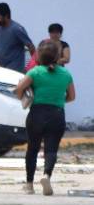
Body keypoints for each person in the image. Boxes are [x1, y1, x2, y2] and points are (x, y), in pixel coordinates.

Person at [16, 40, 75, 196]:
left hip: (37, 113)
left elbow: (19, 89)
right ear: (57, 56)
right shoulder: (66, 74)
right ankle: (46, 175)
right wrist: (58, 100)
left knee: (32, 149)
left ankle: (29, 185)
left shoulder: (35, 72)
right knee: (51, 149)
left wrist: (24, 98)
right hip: (57, 115)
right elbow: (72, 96)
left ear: (39, 56)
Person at [0, 2, 35, 72]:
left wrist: (35, 64)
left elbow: (30, 46)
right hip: (2, 68)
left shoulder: (17, 29)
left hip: (15, 70)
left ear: (6, 16)